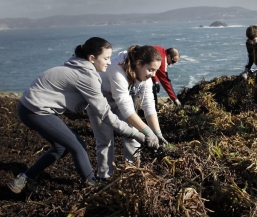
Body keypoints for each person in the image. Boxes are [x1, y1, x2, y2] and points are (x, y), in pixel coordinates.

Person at [7, 37, 157, 194]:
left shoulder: (81, 66)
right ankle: (93, 187)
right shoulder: (87, 76)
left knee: (61, 148)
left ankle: (24, 178)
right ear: (92, 58)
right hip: (35, 110)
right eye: (105, 58)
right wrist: (136, 133)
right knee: (78, 146)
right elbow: (105, 114)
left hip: (29, 107)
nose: (109, 62)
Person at [87, 45, 168, 180]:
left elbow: (149, 104)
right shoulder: (117, 70)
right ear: (138, 63)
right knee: (105, 141)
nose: (153, 75)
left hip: (120, 99)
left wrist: (157, 133)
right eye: (151, 70)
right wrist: (148, 132)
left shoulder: (145, 76)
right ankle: (105, 177)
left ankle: (134, 172)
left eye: (155, 71)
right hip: (100, 99)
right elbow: (126, 109)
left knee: (133, 135)